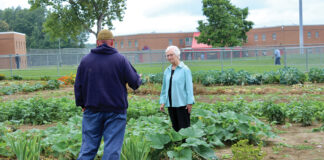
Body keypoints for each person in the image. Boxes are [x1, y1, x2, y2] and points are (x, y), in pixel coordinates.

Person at [74, 29, 142, 160]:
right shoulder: (120, 60)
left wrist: (81, 104)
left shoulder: (86, 60)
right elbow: (134, 83)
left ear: (97, 42)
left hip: (92, 109)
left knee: (88, 148)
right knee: (112, 150)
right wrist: (138, 78)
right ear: (112, 42)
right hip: (116, 111)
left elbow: (78, 85)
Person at [160, 45, 195, 132]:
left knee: (184, 127)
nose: (169, 57)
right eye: (167, 55)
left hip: (182, 104)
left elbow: (189, 88)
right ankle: (177, 144)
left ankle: (186, 145)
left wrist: (189, 102)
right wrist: (163, 101)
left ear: (177, 55)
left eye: (171, 55)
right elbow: (164, 88)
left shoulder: (185, 70)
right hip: (171, 104)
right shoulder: (167, 71)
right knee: (175, 127)